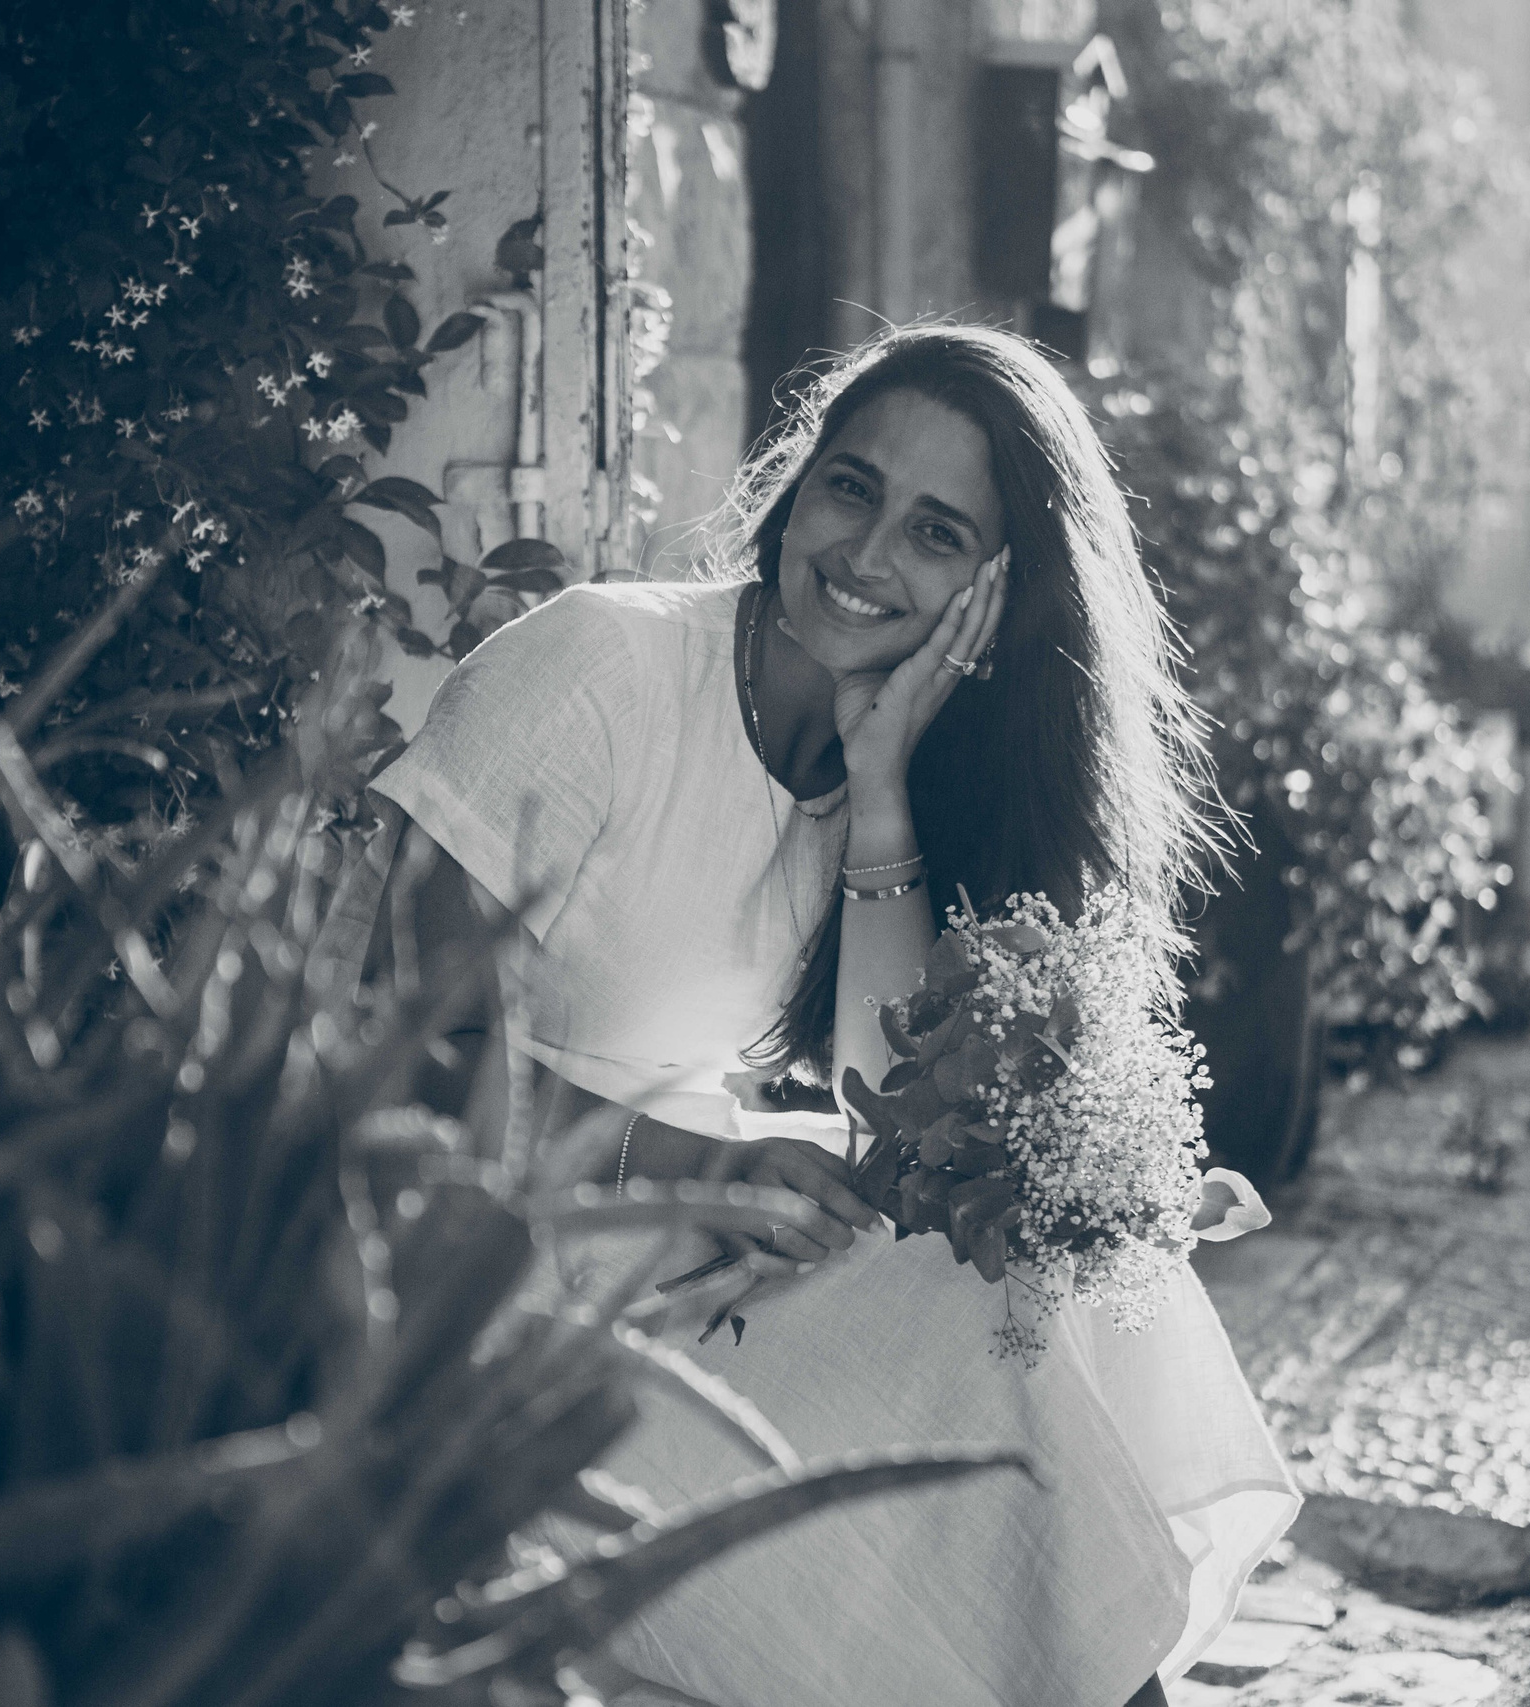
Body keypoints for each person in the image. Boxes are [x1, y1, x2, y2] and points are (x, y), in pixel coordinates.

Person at [365, 324, 1297, 1706]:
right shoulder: (599, 673)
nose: (866, 558)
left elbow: (884, 1105)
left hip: (667, 1265)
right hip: (469, 1305)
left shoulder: (895, 764)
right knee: (969, 1340)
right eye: (852, 489)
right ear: (799, 485)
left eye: (936, 534)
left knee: (1026, 1276)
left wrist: (878, 787)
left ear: (996, 592)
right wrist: (702, 1167)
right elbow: (411, 1056)